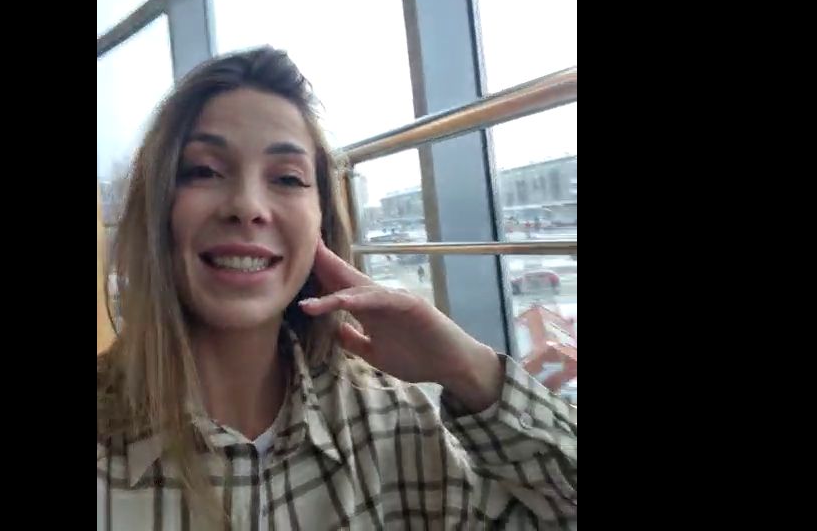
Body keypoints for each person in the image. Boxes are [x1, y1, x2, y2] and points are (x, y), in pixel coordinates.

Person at [97, 47, 576, 529]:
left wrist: (469, 370)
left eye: (287, 178)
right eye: (204, 171)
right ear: (156, 208)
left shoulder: (393, 425)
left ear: (321, 224)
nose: (247, 206)